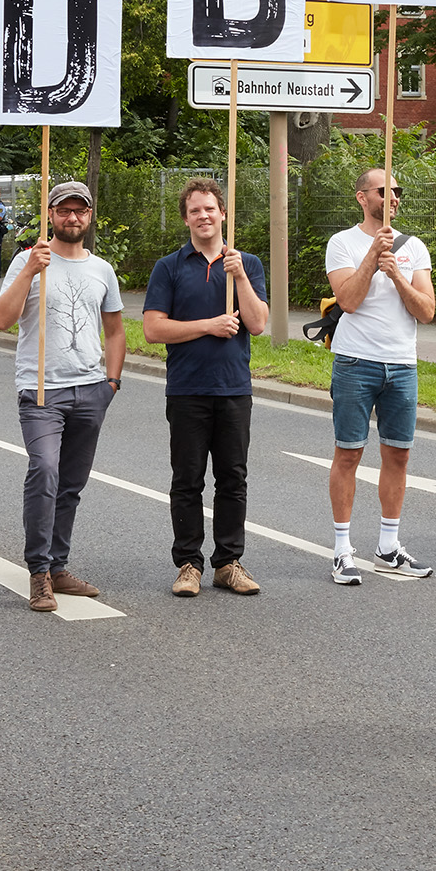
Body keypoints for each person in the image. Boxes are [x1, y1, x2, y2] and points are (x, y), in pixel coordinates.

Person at [0, 181, 126, 613]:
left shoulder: (102, 269)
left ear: (90, 216)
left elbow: (116, 330)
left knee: (71, 483)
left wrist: (112, 382)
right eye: (64, 210)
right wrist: (30, 270)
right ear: (50, 214)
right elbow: (1, 319)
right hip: (41, 390)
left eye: (80, 211)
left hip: (91, 389)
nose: (72, 218)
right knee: (44, 471)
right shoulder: (27, 261)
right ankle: (38, 573)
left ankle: (58, 565)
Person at [142, 176, 268, 598]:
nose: (203, 216)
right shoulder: (170, 267)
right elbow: (153, 329)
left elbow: (258, 323)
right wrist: (208, 326)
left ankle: (228, 562)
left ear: (223, 213)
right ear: (186, 219)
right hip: (187, 389)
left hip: (233, 388)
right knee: (187, 479)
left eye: (210, 208)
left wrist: (241, 280)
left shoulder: (246, 264)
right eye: (195, 210)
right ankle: (188, 564)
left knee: (233, 478)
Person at [323, 166, 435, 583]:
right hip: (355, 362)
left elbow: (426, 310)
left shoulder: (414, 248)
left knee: (398, 454)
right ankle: (341, 550)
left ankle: (388, 546)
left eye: (398, 191)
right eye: (384, 190)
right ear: (362, 197)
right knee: (349, 454)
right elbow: (348, 300)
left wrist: (397, 275)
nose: (393, 197)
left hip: (402, 364)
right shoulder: (342, 243)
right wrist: (373, 257)